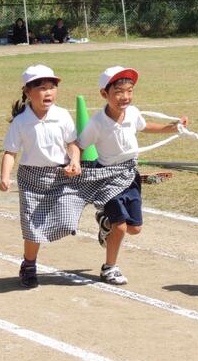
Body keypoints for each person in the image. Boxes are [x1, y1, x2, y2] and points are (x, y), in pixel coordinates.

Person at [78, 66, 189, 285]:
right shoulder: (97, 123)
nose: (125, 97)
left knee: (134, 228)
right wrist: (73, 163)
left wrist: (173, 128)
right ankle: (109, 268)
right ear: (104, 94)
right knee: (120, 227)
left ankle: (105, 222)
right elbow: (79, 145)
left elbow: (147, 126)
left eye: (129, 91)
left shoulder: (133, 113)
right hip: (107, 177)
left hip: (130, 174)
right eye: (118, 92)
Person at [0, 64, 82, 288]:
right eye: (42, 88)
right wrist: (5, 177)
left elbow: (72, 144)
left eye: (52, 88)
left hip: (59, 175)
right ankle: (29, 265)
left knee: (67, 221)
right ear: (28, 92)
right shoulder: (21, 122)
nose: (48, 93)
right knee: (32, 228)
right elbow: (10, 152)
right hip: (31, 178)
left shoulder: (62, 115)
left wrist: (74, 161)